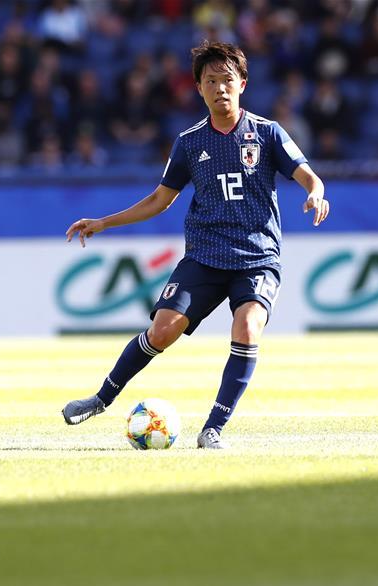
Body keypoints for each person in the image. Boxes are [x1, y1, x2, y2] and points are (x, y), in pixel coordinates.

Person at [61, 41, 330, 449]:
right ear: (198, 89)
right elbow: (159, 200)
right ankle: (101, 398)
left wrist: (314, 192)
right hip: (204, 256)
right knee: (163, 330)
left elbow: (309, 174)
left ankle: (213, 429)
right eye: (211, 82)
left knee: (248, 325)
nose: (220, 88)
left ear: (242, 83)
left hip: (257, 257)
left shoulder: (268, 133)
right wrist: (104, 222)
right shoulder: (189, 142)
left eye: (227, 80)